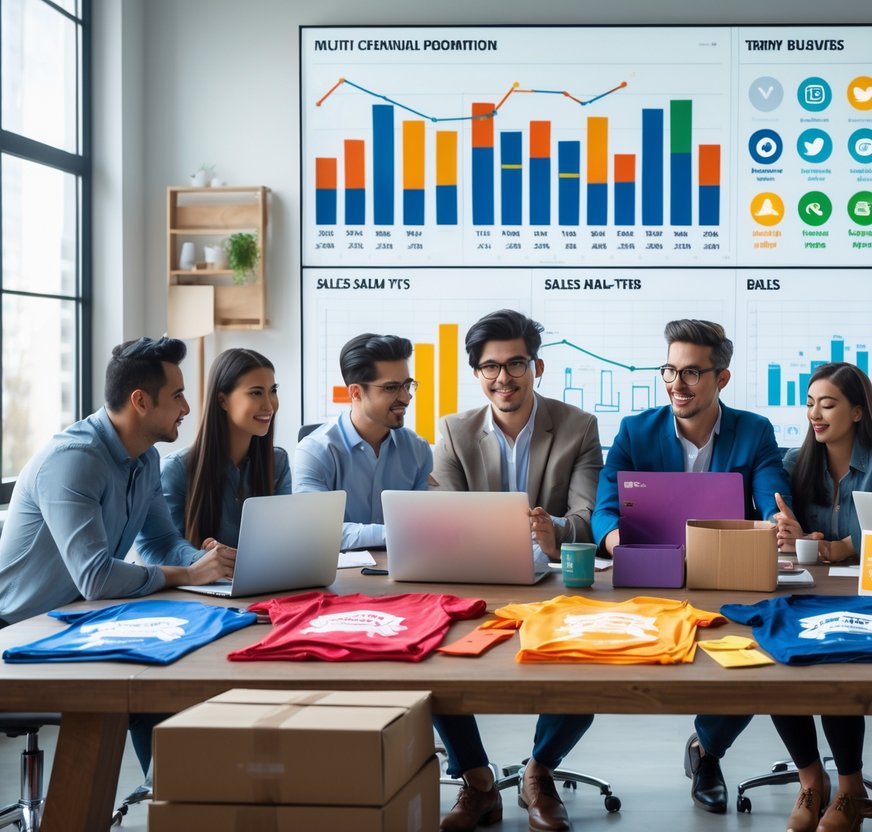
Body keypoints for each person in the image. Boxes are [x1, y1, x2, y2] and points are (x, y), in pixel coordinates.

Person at [0, 336, 236, 775]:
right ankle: (177, 801)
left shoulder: (143, 458)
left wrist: (209, 565)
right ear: (140, 401)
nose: (187, 408)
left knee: (178, 668)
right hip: (21, 630)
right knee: (152, 687)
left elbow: (163, 540)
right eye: (178, 396)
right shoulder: (74, 461)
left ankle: (184, 800)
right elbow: (95, 578)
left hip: (79, 620)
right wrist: (184, 574)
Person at [591, 319, 790, 815]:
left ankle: (707, 750)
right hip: (649, 572)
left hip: (724, 573)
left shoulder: (754, 430)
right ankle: (542, 766)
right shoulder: (636, 430)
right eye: (669, 371)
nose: (676, 384)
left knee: (756, 657)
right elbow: (605, 507)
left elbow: (770, 494)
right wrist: (617, 541)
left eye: (692, 373)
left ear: (721, 378)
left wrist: (777, 519)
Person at [430, 310, 602, 832]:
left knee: (588, 670)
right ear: (477, 373)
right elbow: (444, 519)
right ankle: (478, 780)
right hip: (475, 581)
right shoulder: (454, 431)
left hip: (550, 582)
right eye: (490, 367)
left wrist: (555, 530)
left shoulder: (577, 426)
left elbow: (585, 518)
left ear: (537, 366)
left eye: (515, 363)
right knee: (433, 662)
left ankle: (539, 772)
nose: (503, 377)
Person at [768, 362, 872, 832]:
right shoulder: (793, 463)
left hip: (866, 595)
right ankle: (813, 779)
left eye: (827, 404)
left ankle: (851, 787)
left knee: (836, 664)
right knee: (774, 661)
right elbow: (783, 533)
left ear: (856, 411)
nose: (815, 413)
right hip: (802, 589)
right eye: (810, 403)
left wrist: (830, 545)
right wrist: (788, 532)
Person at [294, 333, 432, 549]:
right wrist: (393, 534)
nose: (405, 398)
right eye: (391, 388)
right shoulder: (314, 452)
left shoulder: (418, 450)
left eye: (407, 385)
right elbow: (315, 531)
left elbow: (426, 523)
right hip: (337, 579)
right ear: (356, 392)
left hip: (404, 571)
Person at [161, 348, 291, 547]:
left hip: (266, 577)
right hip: (203, 579)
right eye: (256, 392)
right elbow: (164, 549)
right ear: (223, 401)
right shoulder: (176, 470)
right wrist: (204, 560)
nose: (269, 405)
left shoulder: (278, 462)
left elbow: (283, 542)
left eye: (273, 391)